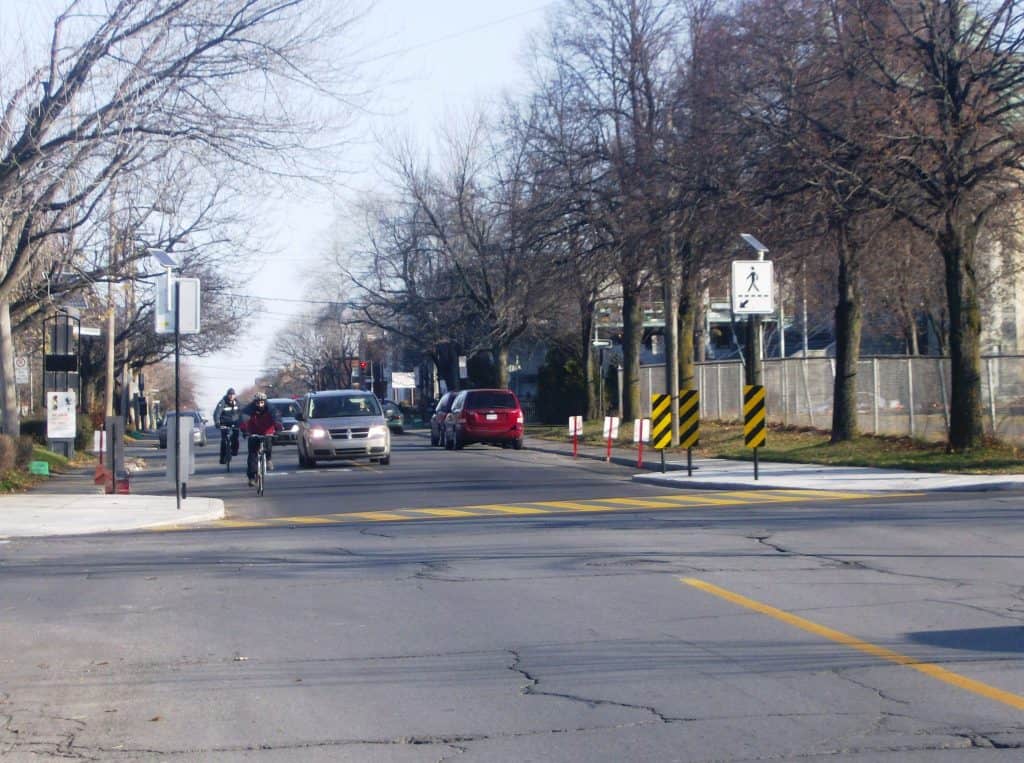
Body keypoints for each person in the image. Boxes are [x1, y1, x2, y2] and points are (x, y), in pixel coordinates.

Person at [240, 392, 280, 486]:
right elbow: (244, 419)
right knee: (252, 455)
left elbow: (277, 418)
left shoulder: (271, 408)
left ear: (265, 402)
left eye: (262, 402)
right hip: (254, 432)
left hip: (267, 431)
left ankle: (268, 459)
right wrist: (244, 430)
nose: (260, 405)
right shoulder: (249, 409)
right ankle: (251, 478)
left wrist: (278, 428)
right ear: (255, 402)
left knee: (268, 445)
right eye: (258, 402)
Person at [213, 387, 242, 464]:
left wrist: (242, 422)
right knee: (224, 441)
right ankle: (223, 458)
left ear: (235, 395)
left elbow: (241, 413)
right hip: (224, 423)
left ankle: (234, 450)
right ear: (227, 395)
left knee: (235, 437)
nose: (231, 396)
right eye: (230, 394)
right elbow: (217, 413)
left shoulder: (237, 402)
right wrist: (217, 423)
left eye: (233, 394)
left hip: (235, 423)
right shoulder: (222, 402)